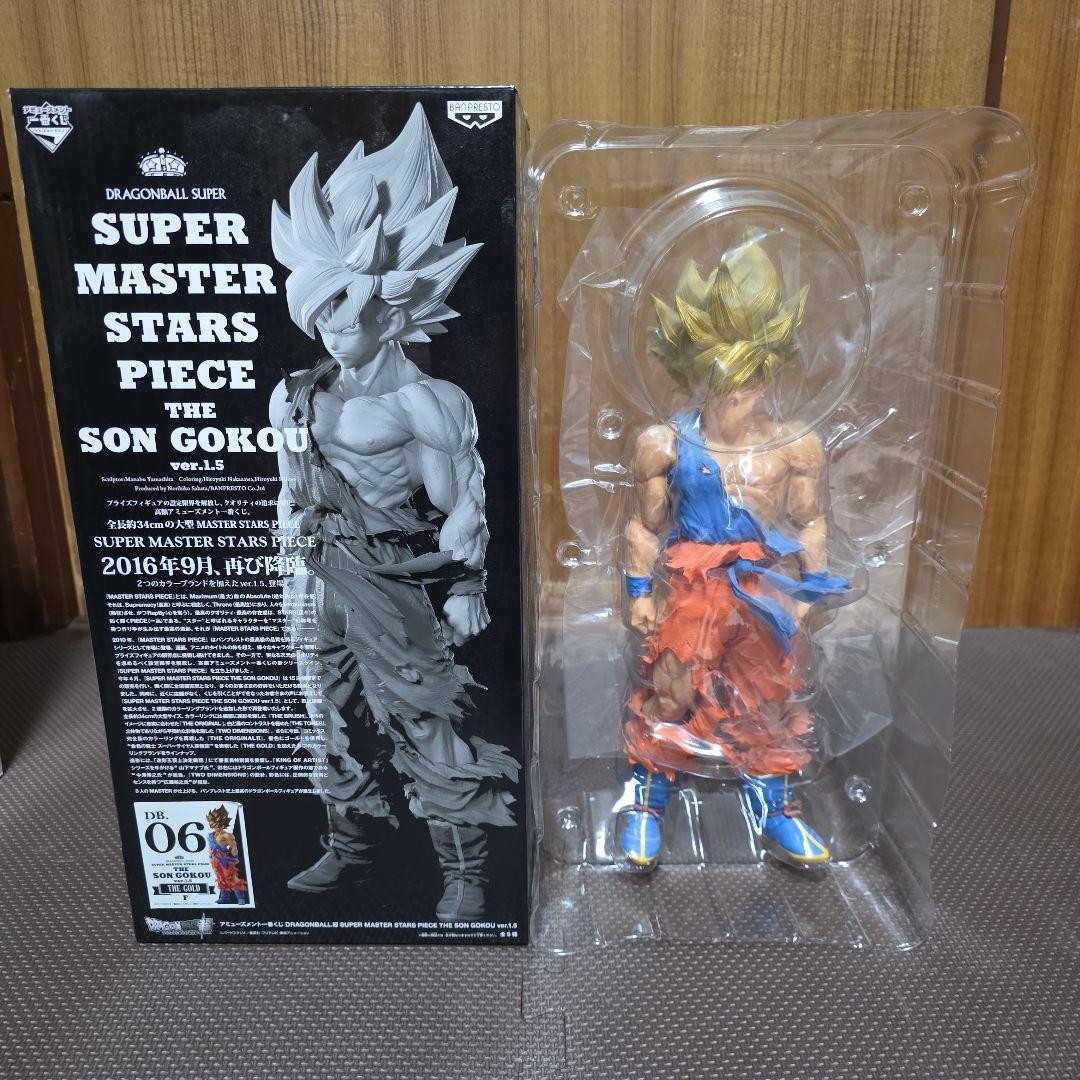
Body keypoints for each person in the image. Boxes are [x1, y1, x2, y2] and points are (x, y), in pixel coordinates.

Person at [269, 104, 518, 920]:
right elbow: (289, 490)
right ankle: (353, 848)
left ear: (394, 302)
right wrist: (290, 576)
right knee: (327, 718)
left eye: (350, 307)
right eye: (322, 311)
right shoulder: (294, 394)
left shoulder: (427, 403)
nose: (334, 327)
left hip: (387, 579)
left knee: (424, 715)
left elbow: (465, 500)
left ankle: (465, 870)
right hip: (317, 577)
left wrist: (468, 585)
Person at [619, 237, 848, 870]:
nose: (734, 395)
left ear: (767, 375)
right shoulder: (665, 442)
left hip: (760, 588)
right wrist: (638, 591)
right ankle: (646, 805)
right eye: (721, 382)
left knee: (766, 695)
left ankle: (776, 811)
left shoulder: (794, 445)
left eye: (747, 381)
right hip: (693, 586)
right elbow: (644, 526)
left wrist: (812, 588)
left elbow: (810, 520)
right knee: (672, 689)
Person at [206, 806, 249, 904]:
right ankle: (224, 898)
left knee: (231, 877)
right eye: (214, 825)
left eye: (218, 825)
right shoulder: (210, 835)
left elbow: (234, 847)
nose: (216, 827)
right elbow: (209, 847)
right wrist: (210, 857)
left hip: (225, 859)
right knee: (220, 878)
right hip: (215, 860)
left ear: (223, 823)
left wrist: (234, 858)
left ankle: (241, 898)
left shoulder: (227, 835)